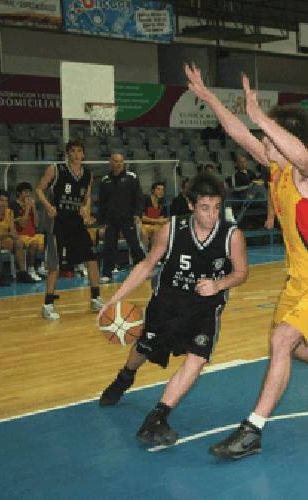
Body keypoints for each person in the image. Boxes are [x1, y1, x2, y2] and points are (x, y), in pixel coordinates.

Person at [184, 62, 308, 460]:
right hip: (297, 279)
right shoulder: (277, 168)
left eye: (269, 137)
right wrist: (209, 98)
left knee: (280, 341)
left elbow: (303, 157)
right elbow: (238, 133)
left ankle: (252, 430)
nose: (263, 144)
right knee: (288, 346)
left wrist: (260, 115)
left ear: (288, 138)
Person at [96, 173, 249, 446]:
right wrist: (114, 299)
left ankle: (158, 415)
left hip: (205, 307)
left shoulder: (231, 236)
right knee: (144, 347)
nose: (212, 215)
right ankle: (125, 377)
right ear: (191, 205)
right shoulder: (171, 229)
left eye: (216, 207)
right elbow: (145, 266)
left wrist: (219, 284)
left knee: (198, 358)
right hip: (166, 303)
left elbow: (241, 272)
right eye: (204, 207)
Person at [35, 140, 104, 320]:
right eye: (72, 151)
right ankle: (48, 304)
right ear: (67, 154)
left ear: (83, 155)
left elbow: (86, 198)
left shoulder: (87, 174)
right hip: (57, 222)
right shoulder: (56, 169)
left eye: (79, 151)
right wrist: (49, 206)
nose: (75, 154)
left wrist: (85, 210)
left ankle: (96, 298)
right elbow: (39, 190)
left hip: (76, 222)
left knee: (91, 258)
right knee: (55, 265)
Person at [98, 153, 147, 284]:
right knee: (109, 246)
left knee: (135, 245)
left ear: (123, 162)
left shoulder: (132, 177)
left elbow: (139, 198)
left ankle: (143, 271)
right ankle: (107, 274)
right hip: (111, 220)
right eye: (115, 161)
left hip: (129, 218)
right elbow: (101, 203)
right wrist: (101, 223)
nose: (118, 163)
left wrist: (138, 214)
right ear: (110, 162)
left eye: (120, 161)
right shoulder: (104, 180)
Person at [0, 189, 33, 285]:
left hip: (3, 237)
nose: (4, 203)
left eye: (6, 201)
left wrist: (15, 236)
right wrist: (9, 234)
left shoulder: (9, 212)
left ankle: (22, 273)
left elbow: (12, 229)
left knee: (19, 242)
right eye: (1, 200)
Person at [13, 182, 44, 282]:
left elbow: (37, 224)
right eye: (25, 192)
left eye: (29, 192)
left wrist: (33, 208)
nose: (28, 194)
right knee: (33, 243)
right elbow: (22, 224)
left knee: (51, 239)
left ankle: (41, 266)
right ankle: (30, 269)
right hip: (21, 235)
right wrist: (27, 208)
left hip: (33, 234)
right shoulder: (14, 205)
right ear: (19, 193)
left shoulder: (31, 205)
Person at [140, 182, 168, 253]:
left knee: (159, 231)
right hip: (143, 225)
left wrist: (162, 220)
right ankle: (144, 254)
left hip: (154, 226)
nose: (161, 192)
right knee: (144, 232)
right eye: (158, 189)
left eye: (162, 190)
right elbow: (142, 217)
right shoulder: (146, 199)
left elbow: (162, 218)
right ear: (153, 190)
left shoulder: (162, 202)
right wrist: (157, 221)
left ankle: (155, 254)